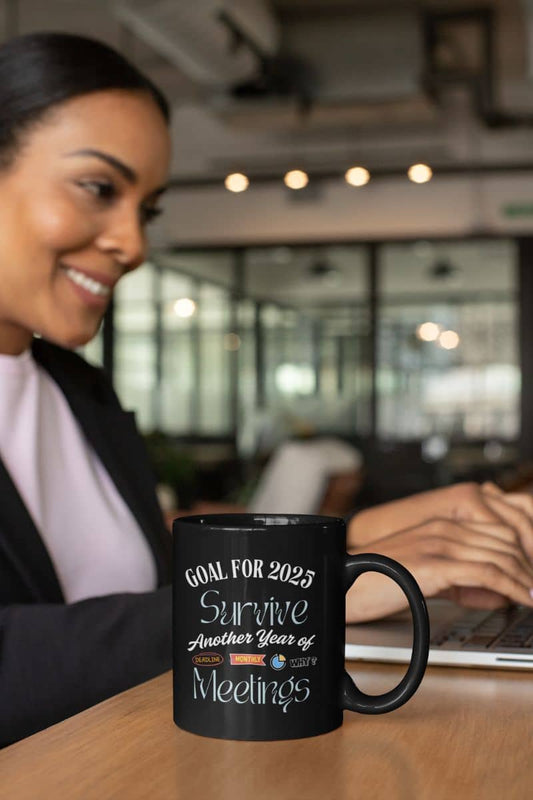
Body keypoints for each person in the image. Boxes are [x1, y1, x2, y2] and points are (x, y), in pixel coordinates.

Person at [1, 31, 533, 747]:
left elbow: (142, 580)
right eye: (99, 188)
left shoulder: (75, 389)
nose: (133, 244)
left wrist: (374, 540)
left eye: (147, 209)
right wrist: (311, 592)